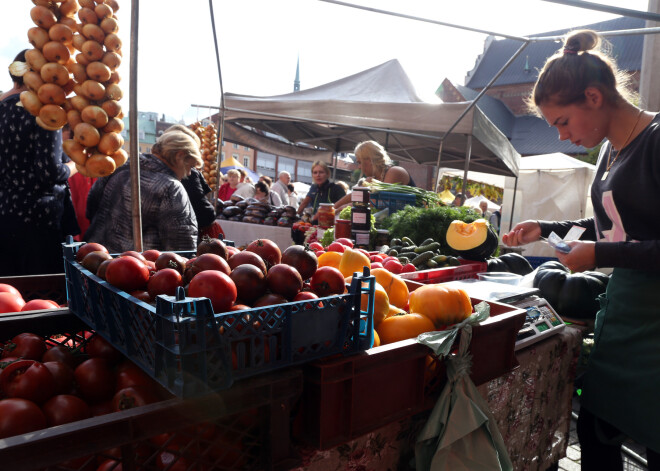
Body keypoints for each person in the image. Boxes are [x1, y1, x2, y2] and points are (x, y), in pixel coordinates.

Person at [501, 30, 660, 470]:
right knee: (594, 427)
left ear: (593, 96)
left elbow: (610, 245)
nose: (561, 135)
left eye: (562, 122)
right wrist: (547, 229)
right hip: (625, 317)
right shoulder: (610, 149)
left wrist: (600, 256)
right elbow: (613, 224)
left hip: (656, 329)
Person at [0, 50, 79, 275]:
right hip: (39, 222)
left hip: (4, 212)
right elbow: (49, 171)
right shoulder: (45, 109)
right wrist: (75, 165)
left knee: (9, 294)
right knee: (42, 293)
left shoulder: (1, 106)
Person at [86, 127, 203, 252]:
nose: (190, 173)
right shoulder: (171, 188)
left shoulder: (119, 167)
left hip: (96, 258)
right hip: (137, 267)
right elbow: (182, 247)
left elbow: (91, 207)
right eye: (190, 166)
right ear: (180, 156)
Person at [334, 140, 415, 209]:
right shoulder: (374, 179)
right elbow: (355, 195)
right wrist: (334, 207)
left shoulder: (394, 172)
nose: (359, 167)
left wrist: (345, 207)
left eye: (359, 162)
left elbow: (379, 202)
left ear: (370, 160)